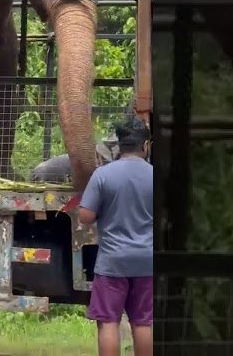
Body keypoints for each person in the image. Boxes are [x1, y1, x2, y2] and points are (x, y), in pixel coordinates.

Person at [78, 118, 153, 356]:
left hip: (112, 263)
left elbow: (85, 216)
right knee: (143, 323)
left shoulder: (103, 175)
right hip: (147, 262)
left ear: (119, 146)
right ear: (145, 146)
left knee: (108, 322)